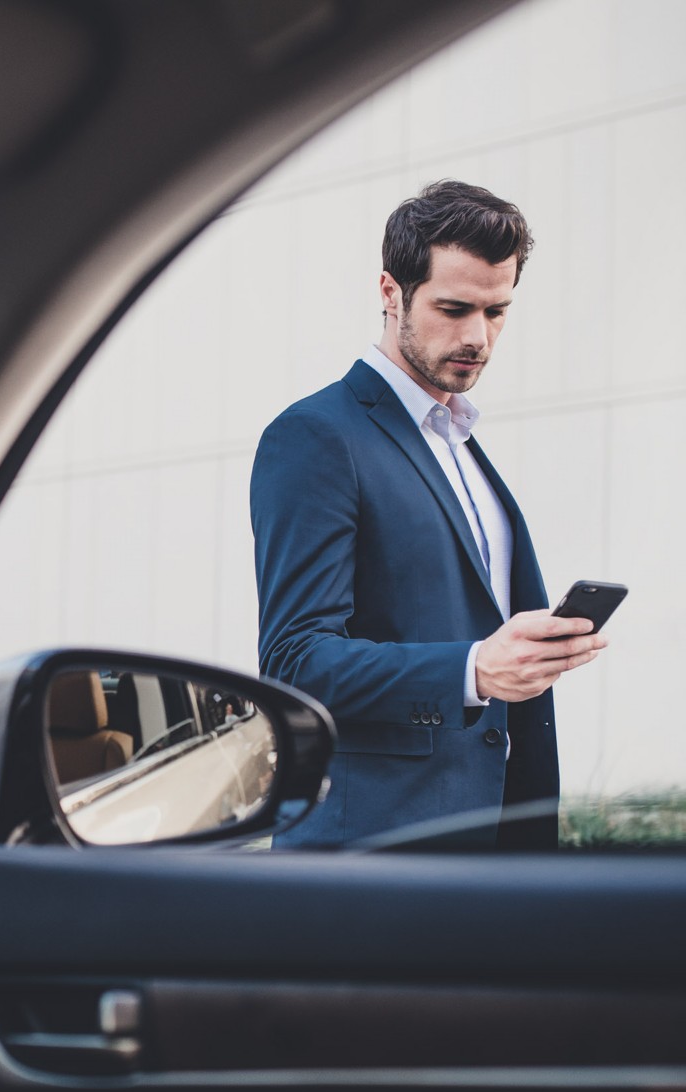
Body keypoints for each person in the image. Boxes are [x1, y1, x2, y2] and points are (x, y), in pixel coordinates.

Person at [249, 180, 606, 849]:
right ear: (390, 293)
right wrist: (472, 670)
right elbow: (295, 661)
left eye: (497, 312)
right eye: (454, 308)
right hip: (374, 860)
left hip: (490, 850)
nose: (478, 336)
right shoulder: (317, 437)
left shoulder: (463, 447)